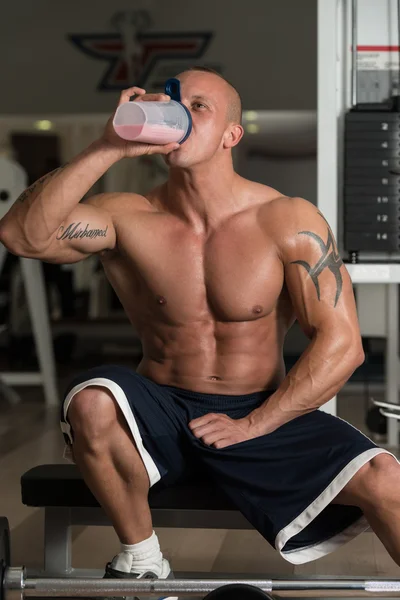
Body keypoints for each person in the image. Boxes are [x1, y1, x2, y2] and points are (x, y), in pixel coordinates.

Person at [1, 66, 400, 595]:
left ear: (231, 134)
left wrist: (256, 424)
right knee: (92, 400)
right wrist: (106, 147)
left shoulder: (285, 219)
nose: (177, 111)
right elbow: (22, 237)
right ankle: (141, 559)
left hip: (260, 409)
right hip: (161, 406)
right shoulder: (128, 215)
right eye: (170, 99)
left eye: (198, 106)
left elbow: (342, 345)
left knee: (387, 480)